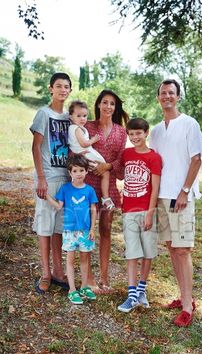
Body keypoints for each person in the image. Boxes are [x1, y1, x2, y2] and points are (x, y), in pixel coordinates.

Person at [149, 79, 202, 327]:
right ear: (158, 98)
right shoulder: (155, 131)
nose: (167, 97)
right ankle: (184, 297)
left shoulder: (189, 124)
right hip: (162, 196)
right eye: (163, 93)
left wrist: (184, 191)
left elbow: (196, 160)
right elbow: (153, 165)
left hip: (181, 196)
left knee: (183, 250)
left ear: (178, 97)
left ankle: (187, 306)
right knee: (172, 247)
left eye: (171, 93)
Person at [30, 72, 72, 294]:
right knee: (45, 227)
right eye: (58, 86)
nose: (62, 90)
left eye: (66, 87)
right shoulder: (43, 114)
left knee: (58, 229)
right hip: (48, 177)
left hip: (65, 179)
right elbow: (36, 147)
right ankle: (45, 273)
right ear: (51, 89)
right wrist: (41, 178)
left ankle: (58, 271)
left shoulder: (68, 118)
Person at [85, 89, 129, 294]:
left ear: (115, 107)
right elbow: (77, 150)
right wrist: (91, 166)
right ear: (98, 105)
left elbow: (121, 159)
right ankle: (88, 278)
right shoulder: (88, 126)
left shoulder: (121, 131)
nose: (108, 106)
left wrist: (107, 167)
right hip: (87, 182)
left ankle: (104, 277)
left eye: (112, 103)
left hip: (108, 185)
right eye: (105, 102)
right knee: (86, 229)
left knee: (106, 229)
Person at [117, 118, 162, 313]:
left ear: (146, 133)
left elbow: (155, 188)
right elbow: (119, 173)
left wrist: (150, 213)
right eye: (131, 134)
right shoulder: (126, 154)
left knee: (148, 252)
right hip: (128, 210)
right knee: (132, 253)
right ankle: (132, 294)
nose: (135, 137)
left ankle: (142, 289)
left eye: (138, 133)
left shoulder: (154, 157)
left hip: (146, 211)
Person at [46, 154, 98, 304]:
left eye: (81, 170)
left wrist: (92, 229)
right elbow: (58, 206)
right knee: (70, 259)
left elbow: (93, 209)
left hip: (85, 231)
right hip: (69, 231)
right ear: (70, 173)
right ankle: (72, 290)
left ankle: (84, 286)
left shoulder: (89, 190)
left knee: (84, 258)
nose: (78, 174)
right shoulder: (65, 189)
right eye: (75, 171)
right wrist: (47, 197)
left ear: (87, 171)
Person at [68, 100, 114, 210]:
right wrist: (93, 140)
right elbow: (83, 144)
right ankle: (105, 197)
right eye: (78, 116)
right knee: (105, 173)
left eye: (84, 115)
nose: (82, 119)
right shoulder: (76, 129)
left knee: (101, 172)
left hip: (83, 154)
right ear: (71, 116)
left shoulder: (76, 128)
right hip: (86, 155)